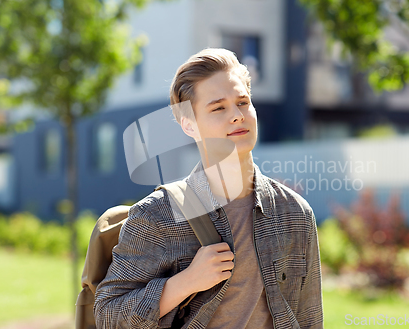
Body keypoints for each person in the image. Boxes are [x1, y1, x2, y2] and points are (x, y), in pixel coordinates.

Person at [94, 48, 323, 329]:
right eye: (218, 107)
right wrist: (185, 283)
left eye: (243, 102)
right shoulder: (158, 215)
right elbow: (108, 315)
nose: (237, 115)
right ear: (189, 125)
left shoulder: (295, 213)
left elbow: (310, 318)